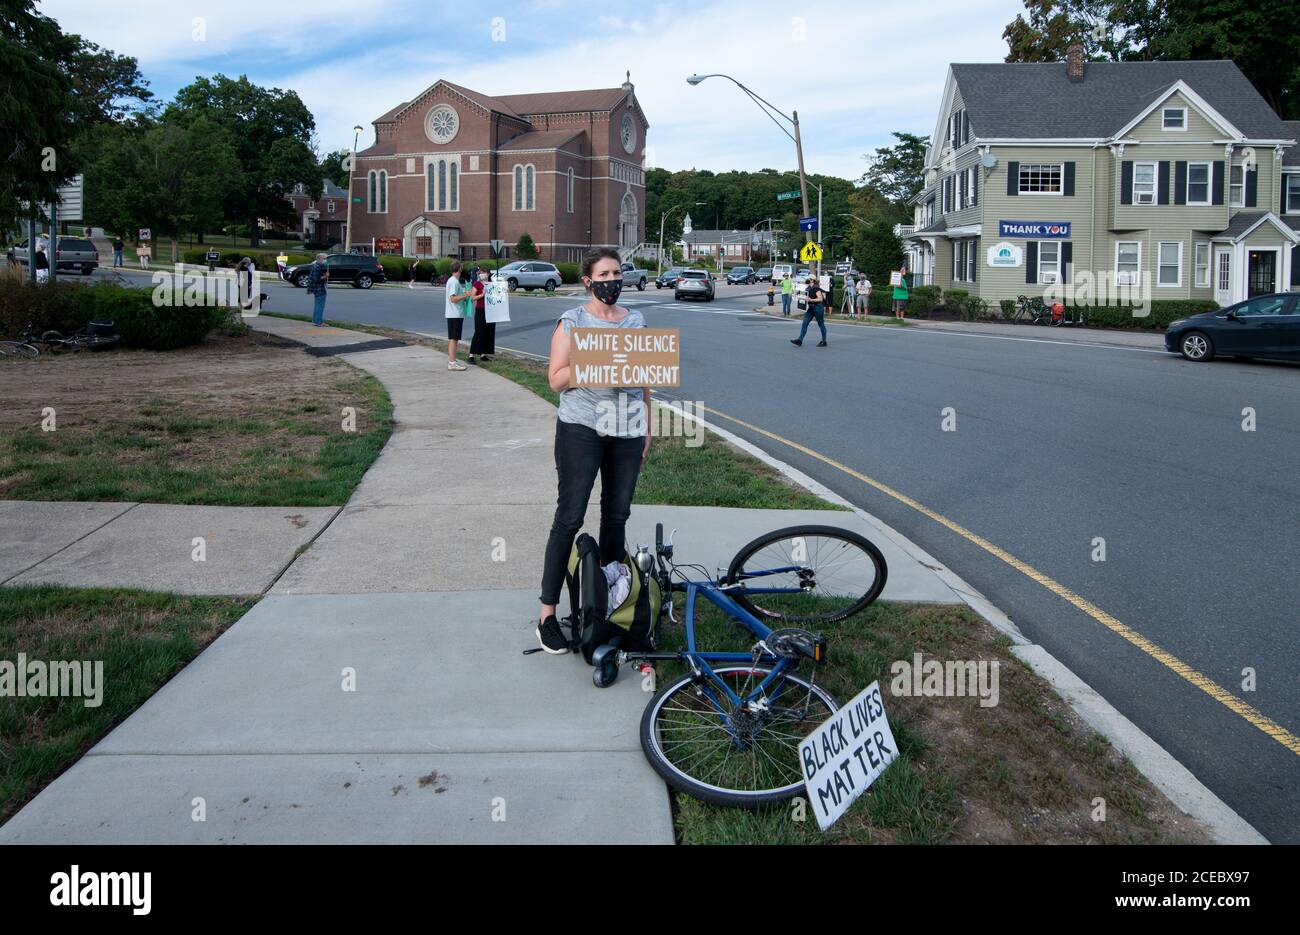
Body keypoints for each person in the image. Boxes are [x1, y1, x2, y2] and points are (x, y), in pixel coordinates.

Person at [535, 248, 650, 654]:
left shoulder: (635, 320)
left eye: (617, 272)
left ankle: (611, 605)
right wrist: (599, 362)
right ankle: (548, 614)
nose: (612, 280)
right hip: (582, 429)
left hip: (627, 431)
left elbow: (644, 377)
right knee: (569, 518)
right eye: (604, 274)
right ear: (588, 280)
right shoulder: (573, 321)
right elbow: (555, 379)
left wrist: (646, 424)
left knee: (617, 515)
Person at [444, 260, 474, 370]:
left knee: (454, 338)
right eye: (461, 270)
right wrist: (465, 295)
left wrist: (464, 294)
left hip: (455, 314)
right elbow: (452, 298)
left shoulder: (453, 281)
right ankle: (452, 363)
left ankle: (452, 359)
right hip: (454, 314)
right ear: (458, 270)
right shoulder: (454, 282)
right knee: (454, 338)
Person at [468, 269, 496, 364]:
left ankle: (484, 354)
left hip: (491, 310)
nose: (481, 274)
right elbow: (472, 297)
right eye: (480, 273)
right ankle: (471, 355)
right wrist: (482, 294)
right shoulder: (477, 284)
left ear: (488, 274)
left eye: (483, 273)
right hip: (480, 310)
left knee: (488, 331)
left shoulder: (491, 283)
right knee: (479, 331)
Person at [791, 275, 827, 347]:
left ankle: (824, 341)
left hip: (818, 308)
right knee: (804, 323)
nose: (806, 279)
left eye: (808, 279)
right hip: (811, 308)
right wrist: (798, 296)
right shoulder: (808, 288)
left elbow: (820, 299)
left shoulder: (816, 288)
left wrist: (811, 300)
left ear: (812, 280)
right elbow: (805, 295)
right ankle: (800, 340)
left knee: (821, 324)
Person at [306, 253, 328, 325]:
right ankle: (318, 321)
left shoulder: (317, 266)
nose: (325, 260)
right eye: (324, 259)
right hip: (319, 288)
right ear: (318, 259)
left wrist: (324, 275)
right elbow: (316, 279)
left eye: (326, 259)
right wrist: (325, 276)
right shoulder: (316, 267)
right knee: (320, 305)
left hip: (317, 288)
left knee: (318, 305)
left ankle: (316, 320)